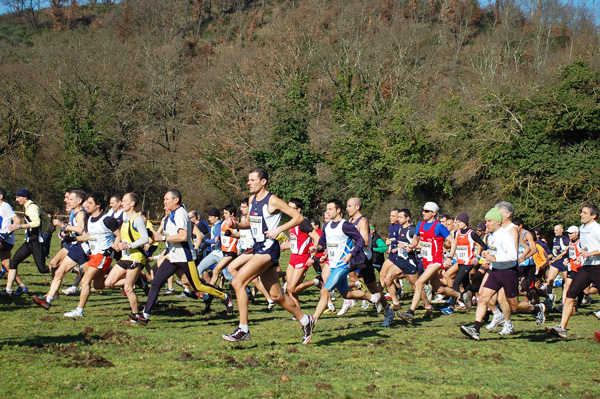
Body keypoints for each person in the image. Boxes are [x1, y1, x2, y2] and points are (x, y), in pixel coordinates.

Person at [221, 168, 314, 344]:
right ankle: (305, 320)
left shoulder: (272, 200)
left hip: (268, 249)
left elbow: (298, 217)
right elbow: (250, 223)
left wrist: (278, 229)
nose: (248, 182)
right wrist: (237, 225)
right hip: (259, 249)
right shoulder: (251, 200)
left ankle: (243, 329)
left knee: (237, 281)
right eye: (248, 180)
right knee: (277, 296)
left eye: (252, 180)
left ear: (263, 182)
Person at [139, 189, 232, 325]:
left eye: (166, 199)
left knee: (198, 285)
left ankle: (224, 296)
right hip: (173, 256)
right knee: (156, 283)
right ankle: (145, 315)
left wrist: (163, 238)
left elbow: (183, 236)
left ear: (176, 200)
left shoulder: (181, 213)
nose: (164, 202)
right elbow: (164, 236)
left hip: (185, 256)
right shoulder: (171, 216)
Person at [460, 207, 546, 341]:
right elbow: (495, 252)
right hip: (495, 272)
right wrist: (486, 254)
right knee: (483, 298)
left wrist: (495, 258)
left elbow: (512, 256)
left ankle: (536, 309)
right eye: (486, 221)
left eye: (489, 221)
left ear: (498, 222)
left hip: (508, 273)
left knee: (514, 306)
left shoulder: (506, 235)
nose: (486, 224)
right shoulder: (491, 236)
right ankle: (475, 328)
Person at [310, 199, 381, 327]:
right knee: (346, 294)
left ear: (338, 210)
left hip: (343, 265)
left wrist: (351, 254)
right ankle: (372, 298)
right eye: (326, 209)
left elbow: (361, 241)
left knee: (325, 290)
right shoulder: (326, 226)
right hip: (333, 264)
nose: (327, 212)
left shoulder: (345, 225)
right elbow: (322, 242)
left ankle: (312, 321)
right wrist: (318, 248)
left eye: (330, 209)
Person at [399, 202, 461, 323]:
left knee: (418, 283)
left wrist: (449, 257)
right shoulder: (420, 225)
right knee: (438, 289)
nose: (423, 213)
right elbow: (416, 239)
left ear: (434, 213)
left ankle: (410, 312)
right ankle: (461, 295)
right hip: (426, 261)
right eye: (423, 210)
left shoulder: (439, 227)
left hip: (436, 261)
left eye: (426, 211)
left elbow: (453, 242)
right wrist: (411, 245)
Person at [547, 204, 600, 338]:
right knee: (570, 294)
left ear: (593, 216)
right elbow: (585, 247)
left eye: (584, 212)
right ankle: (561, 328)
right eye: (581, 212)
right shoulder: (582, 228)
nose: (581, 215)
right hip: (586, 267)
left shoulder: (597, 229)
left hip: (598, 267)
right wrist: (579, 259)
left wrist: (591, 254)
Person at [63, 193, 120, 317]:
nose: (86, 205)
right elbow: (89, 236)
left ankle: (79, 310)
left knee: (85, 281)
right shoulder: (89, 219)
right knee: (97, 285)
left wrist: (111, 248)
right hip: (94, 255)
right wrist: (73, 239)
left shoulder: (107, 219)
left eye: (90, 203)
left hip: (103, 255)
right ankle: (130, 281)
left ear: (98, 205)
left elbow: (120, 235)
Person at [32, 189, 89, 309]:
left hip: (83, 249)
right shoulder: (76, 212)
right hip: (76, 248)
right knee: (59, 272)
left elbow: (81, 230)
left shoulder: (81, 214)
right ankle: (48, 299)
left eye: (71, 199)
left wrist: (62, 225)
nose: (68, 202)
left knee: (99, 280)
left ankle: (132, 280)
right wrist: (66, 234)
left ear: (79, 201)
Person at [3, 188, 48, 297]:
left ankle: (58, 267)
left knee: (42, 269)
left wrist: (19, 226)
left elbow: (37, 222)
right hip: (29, 242)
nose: (16, 199)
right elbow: (46, 218)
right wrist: (44, 230)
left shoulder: (32, 208)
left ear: (25, 197)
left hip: (36, 242)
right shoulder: (29, 207)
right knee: (13, 263)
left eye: (18, 197)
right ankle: (8, 290)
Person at [441, 212, 487, 315]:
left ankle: (451, 307)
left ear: (465, 222)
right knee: (467, 287)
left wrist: (478, 257)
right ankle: (486, 290)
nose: (457, 224)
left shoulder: (471, 233)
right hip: (460, 262)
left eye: (459, 222)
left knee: (456, 282)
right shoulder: (457, 233)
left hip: (469, 263)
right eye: (457, 222)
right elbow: (450, 245)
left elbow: (483, 245)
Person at [280, 198, 321, 310]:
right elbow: (295, 242)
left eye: (291, 208)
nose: (288, 210)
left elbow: (317, 237)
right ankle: (298, 314)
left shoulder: (303, 222)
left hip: (303, 257)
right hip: (293, 257)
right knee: (289, 287)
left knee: (292, 288)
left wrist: (312, 256)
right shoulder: (293, 222)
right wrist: (282, 247)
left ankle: (316, 281)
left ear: (298, 210)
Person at [0, 189, 21, 286]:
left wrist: (6, 234)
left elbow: (17, 220)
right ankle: (22, 286)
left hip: (5, 240)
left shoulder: (5, 206)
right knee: (7, 263)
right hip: (4, 240)